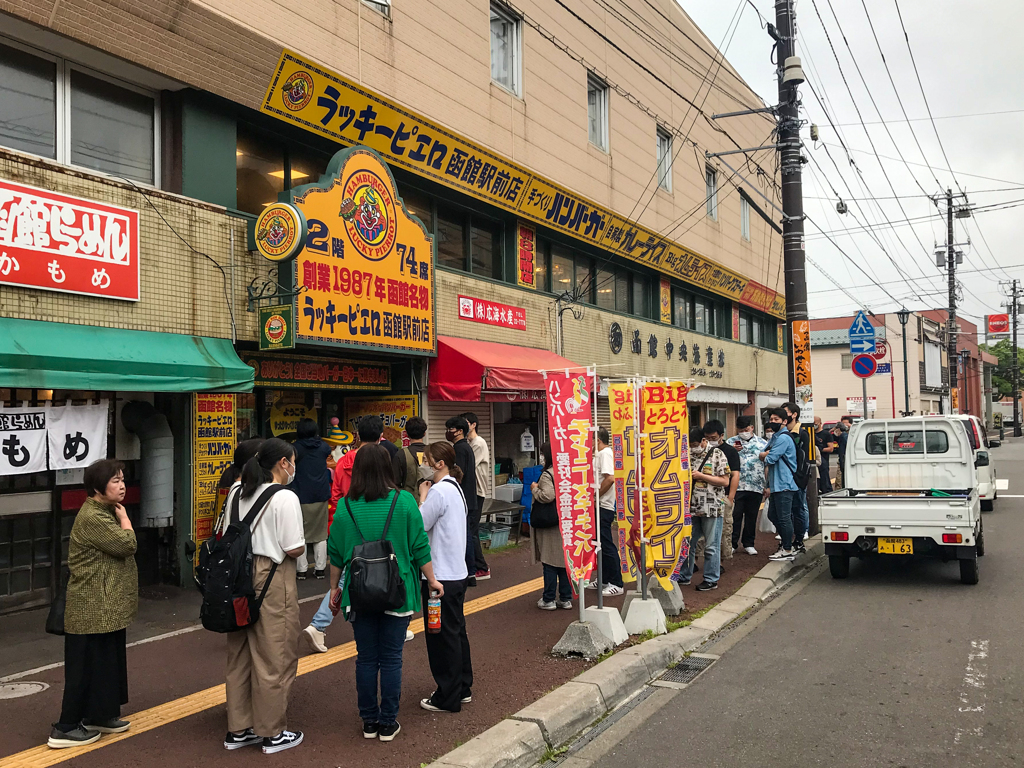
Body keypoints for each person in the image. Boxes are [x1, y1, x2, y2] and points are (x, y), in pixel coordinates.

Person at [326, 445, 442, 743]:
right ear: (389, 469)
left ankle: (369, 721)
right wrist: (432, 580)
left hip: (359, 593)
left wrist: (333, 589)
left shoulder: (346, 506)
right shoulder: (404, 501)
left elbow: (336, 554)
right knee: (391, 659)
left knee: (366, 659)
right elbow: (419, 546)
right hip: (397, 590)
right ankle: (388, 723)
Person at [222, 438, 306, 754]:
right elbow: (293, 547)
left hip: (237, 575)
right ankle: (272, 732)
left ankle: (238, 729)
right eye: (293, 460)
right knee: (275, 653)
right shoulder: (285, 497)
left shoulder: (235, 492)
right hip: (271, 575)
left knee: (240, 653)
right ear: (283, 463)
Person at [49, 459, 137, 749]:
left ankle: (100, 715)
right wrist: (126, 521)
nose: (122, 485)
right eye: (115, 481)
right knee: (84, 667)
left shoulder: (104, 510)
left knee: (105, 663)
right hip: (89, 606)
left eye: (122, 479)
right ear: (98, 487)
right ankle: (65, 727)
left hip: (104, 604)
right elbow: (126, 545)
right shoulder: (93, 517)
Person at [416, 441, 473, 713]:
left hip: (439, 577)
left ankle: (447, 695)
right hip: (456, 572)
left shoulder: (438, 491)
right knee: (456, 632)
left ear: (439, 464)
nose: (422, 465)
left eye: (425, 460)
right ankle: (462, 687)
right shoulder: (455, 487)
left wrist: (421, 498)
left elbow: (419, 525)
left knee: (440, 637)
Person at [677, 427, 730, 591]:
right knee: (688, 543)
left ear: (703, 441)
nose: (693, 447)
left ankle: (711, 578)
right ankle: (684, 575)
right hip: (691, 508)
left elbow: (725, 481)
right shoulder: (686, 455)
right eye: (690, 444)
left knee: (711, 545)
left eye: (695, 444)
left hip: (711, 507)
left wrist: (702, 476)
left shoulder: (717, 454)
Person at [531, 443, 572, 610]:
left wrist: (534, 489)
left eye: (542, 454)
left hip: (549, 523)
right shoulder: (567, 472)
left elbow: (547, 495)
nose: (541, 457)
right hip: (565, 520)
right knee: (563, 561)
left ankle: (548, 599)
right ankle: (565, 598)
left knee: (549, 561)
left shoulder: (548, 474)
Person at [293, 419, 332, 580]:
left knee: (299, 533)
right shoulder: (323, 446)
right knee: (320, 533)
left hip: (300, 494)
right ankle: (321, 568)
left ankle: (301, 570)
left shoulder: (295, 448)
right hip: (320, 494)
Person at [760, 409, 799, 561]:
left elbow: (769, 458)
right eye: (771, 419)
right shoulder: (776, 437)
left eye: (776, 419)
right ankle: (786, 544)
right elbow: (763, 453)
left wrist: (765, 455)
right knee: (773, 515)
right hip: (777, 484)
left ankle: (788, 548)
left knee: (783, 517)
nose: (772, 421)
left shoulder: (783, 438)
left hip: (785, 483)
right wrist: (765, 454)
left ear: (784, 421)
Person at [445, 416, 479, 586]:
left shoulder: (459, 449)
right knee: (467, 535)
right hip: (470, 497)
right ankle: (470, 572)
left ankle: (469, 573)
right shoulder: (466, 447)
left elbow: (458, 474)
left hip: (462, 498)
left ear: (459, 431)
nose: (448, 432)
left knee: (464, 537)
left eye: (451, 429)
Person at [727, 416, 768, 555]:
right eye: (740, 430)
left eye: (746, 429)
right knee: (735, 515)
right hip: (736, 485)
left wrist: (767, 485)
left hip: (756, 485)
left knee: (751, 516)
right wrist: (732, 451)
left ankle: (749, 543)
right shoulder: (730, 443)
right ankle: (732, 543)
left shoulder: (763, 443)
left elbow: (767, 465)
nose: (743, 432)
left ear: (752, 428)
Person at [702, 420, 738, 563]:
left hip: (723, 496)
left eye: (713, 438)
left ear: (721, 435)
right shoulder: (701, 451)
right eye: (707, 438)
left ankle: (721, 561)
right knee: (703, 533)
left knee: (723, 531)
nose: (710, 441)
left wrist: (730, 497)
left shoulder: (730, 451)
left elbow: (735, 474)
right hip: (704, 497)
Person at [462, 413, 491, 581]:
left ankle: (481, 567)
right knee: (472, 529)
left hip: (477, 491)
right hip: (475, 491)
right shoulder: (472, 443)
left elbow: (469, 465)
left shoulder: (478, 443)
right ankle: (479, 564)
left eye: (466, 423)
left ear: (473, 425)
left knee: (472, 530)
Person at [595, 427, 623, 596]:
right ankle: (604, 578)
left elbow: (610, 478)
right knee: (599, 544)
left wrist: (594, 495)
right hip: (599, 505)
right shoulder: (600, 455)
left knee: (605, 544)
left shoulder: (605, 453)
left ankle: (616, 583)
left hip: (603, 505)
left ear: (598, 440)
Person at [783, 401, 809, 553]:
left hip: (797, 478)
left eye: (785, 412)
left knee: (798, 508)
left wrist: (800, 477)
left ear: (794, 414)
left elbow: (804, 458)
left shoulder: (802, 433)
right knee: (784, 511)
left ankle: (799, 539)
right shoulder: (782, 433)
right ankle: (788, 539)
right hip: (785, 478)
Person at [392, 416, 428, 497]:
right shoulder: (434, 452)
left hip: (408, 500)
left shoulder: (401, 454)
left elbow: (395, 483)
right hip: (430, 500)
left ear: (407, 434)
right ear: (424, 433)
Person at [814, 416, 834, 495]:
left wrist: (818, 450)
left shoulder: (826, 434)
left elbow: (831, 448)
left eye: (815, 423)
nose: (813, 425)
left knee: (825, 483)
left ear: (820, 423)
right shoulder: (809, 433)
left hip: (823, 462)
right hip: (813, 463)